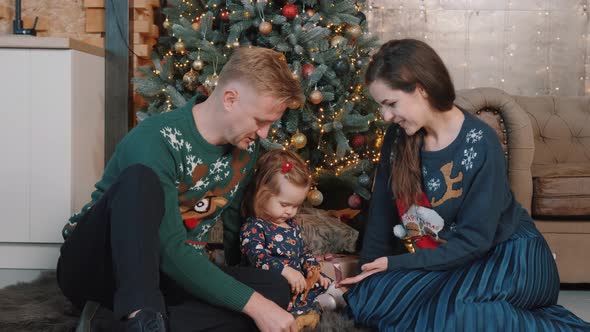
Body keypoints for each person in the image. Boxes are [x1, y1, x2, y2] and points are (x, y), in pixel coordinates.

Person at [338, 39, 590, 331]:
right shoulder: (397, 139)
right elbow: (381, 221)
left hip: (511, 257)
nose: (385, 116)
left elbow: (475, 242)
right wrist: (369, 275)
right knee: (368, 299)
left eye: (391, 104)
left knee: (459, 314)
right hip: (456, 261)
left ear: (421, 89)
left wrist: (394, 266)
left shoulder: (480, 141)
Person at [57, 47, 304, 332]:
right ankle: (142, 316)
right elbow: (169, 248)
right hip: (97, 266)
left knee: (274, 289)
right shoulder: (155, 139)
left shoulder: (245, 150)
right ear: (230, 99)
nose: (264, 134)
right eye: (260, 121)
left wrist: (256, 296)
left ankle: (108, 323)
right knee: (140, 179)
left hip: (161, 272)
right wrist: (255, 307)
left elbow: (235, 223)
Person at [239, 149, 332, 324]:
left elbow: (303, 251)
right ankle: (306, 312)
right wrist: (284, 270)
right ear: (262, 194)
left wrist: (313, 270)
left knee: (326, 283)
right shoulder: (254, 227)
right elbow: (257, 257)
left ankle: (326, 303)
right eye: (284, 204)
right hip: (274, 284)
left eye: (296, 206)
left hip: (300, 282)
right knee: (280, 291)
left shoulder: (291, 225)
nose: (290, 211)